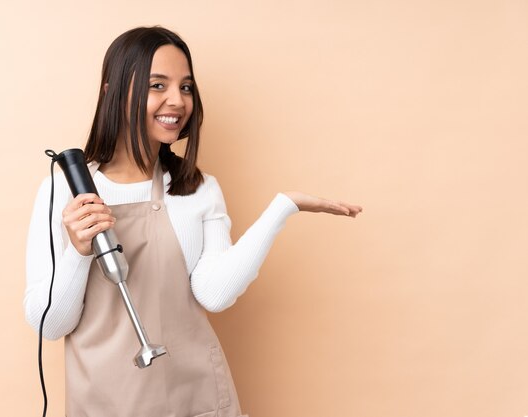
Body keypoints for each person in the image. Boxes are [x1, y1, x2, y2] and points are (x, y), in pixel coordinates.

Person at [24, 26, 362, 417]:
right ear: (111, 91)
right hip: (105, 405)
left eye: (186, 87)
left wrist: (282, 208)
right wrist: (79, 252)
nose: (177, 101)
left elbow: (213, 294)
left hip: (196, 400)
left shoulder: (198, 188)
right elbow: (50, 325)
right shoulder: (64, 192)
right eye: (157, 85)